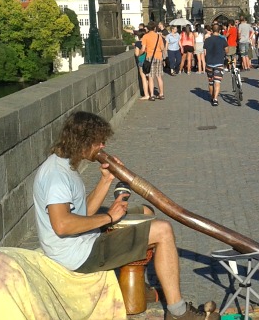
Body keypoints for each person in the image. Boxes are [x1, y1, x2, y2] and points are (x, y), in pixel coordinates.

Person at [33, 111, 219, 320]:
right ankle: (178, 312)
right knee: (163, 230)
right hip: (77, 254)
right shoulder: (56, 176)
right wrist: (110, 217)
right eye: (99, 141)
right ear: (83, 141)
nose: (103, 146)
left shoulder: (66, 165)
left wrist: (106, 179)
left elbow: (84, 212)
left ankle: (141, 287)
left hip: (81, 241)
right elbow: (63, 225)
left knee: (146, 212)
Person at [204, 23, 228, 106]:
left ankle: (212, 96)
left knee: (211, 82)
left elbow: (205, 52)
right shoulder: (223, 40)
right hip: (219, 63)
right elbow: (227, 50)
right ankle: (215, 99)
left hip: (209, 63)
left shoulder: (207, 40)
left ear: (211, 30)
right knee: (217, 81)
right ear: (220, 30)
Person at [141, 22, 165, 101]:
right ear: (155, 28)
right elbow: (162, 48)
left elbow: (143, 49)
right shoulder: (159, 36)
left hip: (149, 58)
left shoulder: (145, 36)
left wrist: (139, 54)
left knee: (151, 77)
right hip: (158, 57)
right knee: (159, 76)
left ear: (147, 28)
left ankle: (152, 95)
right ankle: (161, 94)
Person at [134, 30, 150, 100]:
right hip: (149, 60)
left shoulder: (138, 43)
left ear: (138, 36)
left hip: (141, 61)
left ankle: (146, 94)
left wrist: (140, 53)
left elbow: (137, 54)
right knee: (149, 78)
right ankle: (150, 92)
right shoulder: (148, 42)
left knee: (143, 78)